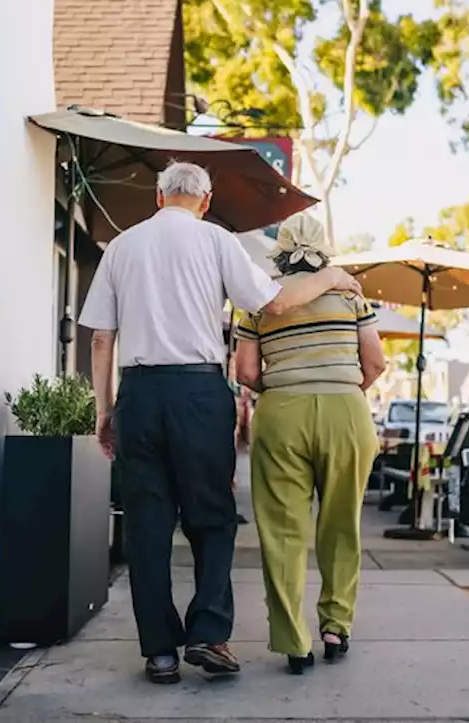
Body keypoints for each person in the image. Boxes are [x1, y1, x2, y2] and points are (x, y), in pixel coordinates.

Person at [78, 162, 362, 685]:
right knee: (212, 518)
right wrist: (330, 277)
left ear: (158, 198)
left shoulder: (121, 247)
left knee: (147, 528)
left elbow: (100, 338)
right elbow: (274, 303)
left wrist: (105, 410)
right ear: (205, 202)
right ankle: (208, 634)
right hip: (198, 392)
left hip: (139, 393)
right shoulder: (218, 241)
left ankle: (160, 653)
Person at [233, 213, 387, 675]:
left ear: (279, 249)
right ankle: (336, 626)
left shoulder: (260, 302)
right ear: (324, 249)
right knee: (342, 525)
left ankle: (294, 642)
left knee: (282, 531)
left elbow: (244, 372)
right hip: (346, 411)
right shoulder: (349, 296)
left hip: (281, 413)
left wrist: (286, 386)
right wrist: (338, 385)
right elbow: (375, 363)